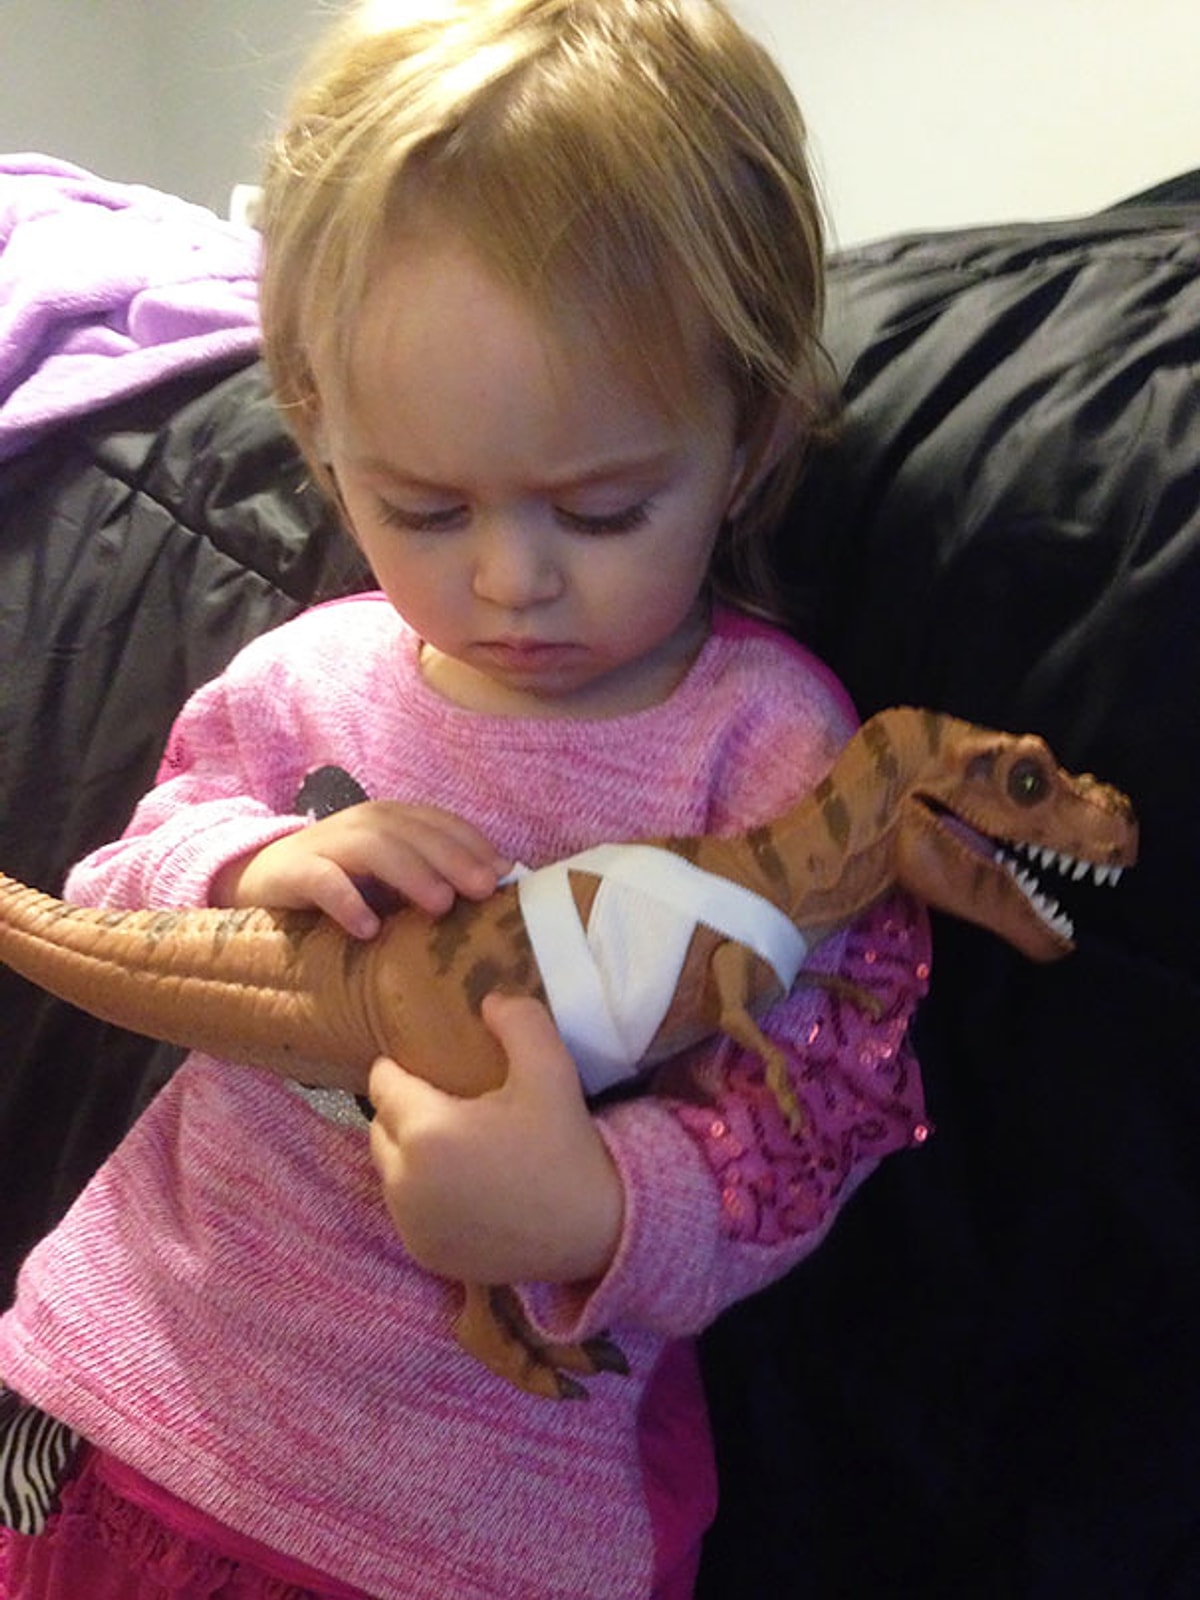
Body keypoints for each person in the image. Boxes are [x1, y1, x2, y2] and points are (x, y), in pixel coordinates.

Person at [0, 1, 931, 1595]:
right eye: (424, 508)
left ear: (750, 433)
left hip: (463, 1529)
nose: (510, 581)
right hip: (119, 1400)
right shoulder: (305, 674)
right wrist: (245, 866)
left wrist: (600, 1207)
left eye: (604, 509)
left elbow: (830, 1101)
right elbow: (124, 877)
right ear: (321, 432)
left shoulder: (773, 750)